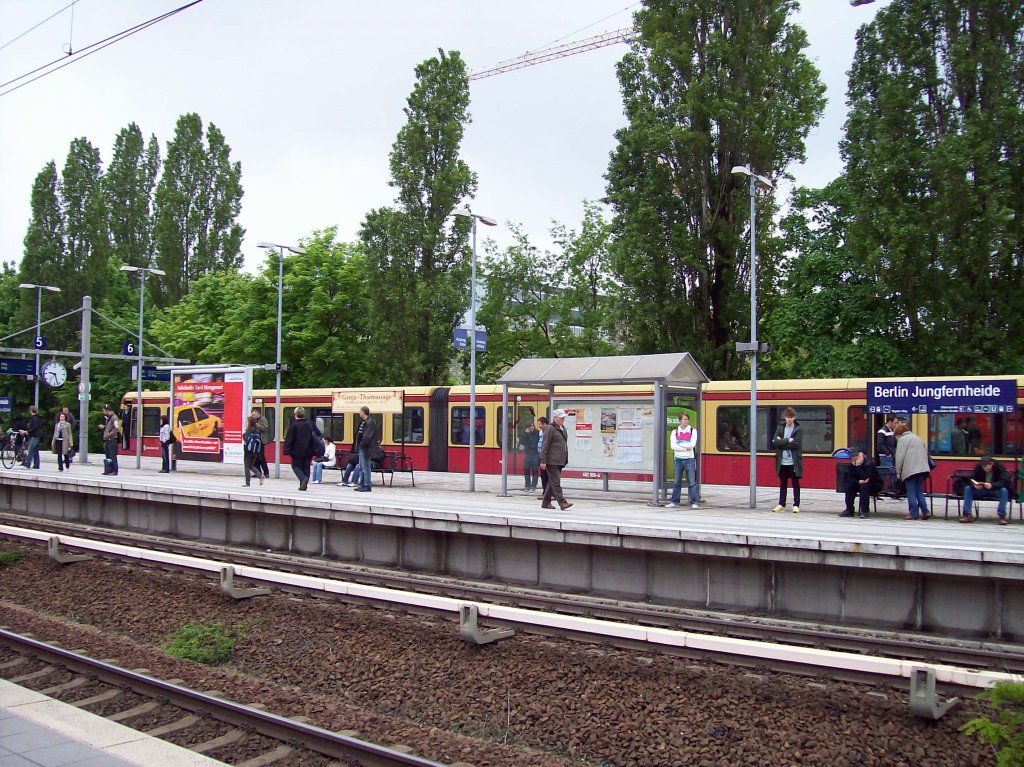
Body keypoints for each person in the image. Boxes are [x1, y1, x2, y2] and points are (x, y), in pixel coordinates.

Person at [960, 455, 1011, 525]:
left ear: (991, 464)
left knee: (1004, 491)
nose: (984, 469)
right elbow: (972, 479)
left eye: (986, 467)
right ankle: (966, 515)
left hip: (994, 490)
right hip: (982, 489)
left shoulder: (999, 466)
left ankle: (1002, 516)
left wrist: (992, 485)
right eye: (983, 468)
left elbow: (1004, 481)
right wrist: (975, 485)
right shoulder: (979, 466)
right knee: (968, 489)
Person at [894, 422, 931, 520]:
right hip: (922, 469)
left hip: (910, 469)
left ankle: (913, 513)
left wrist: (898, 472)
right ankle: (925, 511)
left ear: (899, 433)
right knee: (919, 491)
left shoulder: (902, 440)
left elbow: (899, 457)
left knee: (911, 491)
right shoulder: (917, 438)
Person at [771, 407, 802, 513]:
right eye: (788, 417)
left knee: (795, 483)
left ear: (794, 418)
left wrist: (782, 443)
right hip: (782, 461)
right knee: (782, 483)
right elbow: (775, 442)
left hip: (793, 461)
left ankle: (796, 504)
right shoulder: (780, 428)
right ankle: (781, 503)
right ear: (785, 418)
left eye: (791, 417)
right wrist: (788, 440)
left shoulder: (798, 429)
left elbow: (796, 445)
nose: (789, 419)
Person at [540, 409, 572, 511]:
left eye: (564, 417)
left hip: (560, 460)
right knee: (556, 482)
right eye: (561, 417)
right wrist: (543, 460)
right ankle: (562, 502)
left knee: (552, 482)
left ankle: (545, 502)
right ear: (555, 418)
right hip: (552, 460)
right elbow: (545, 445)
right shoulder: (550, 428)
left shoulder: (562, 428)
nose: (563, 419)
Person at [668, 412, 699, 509]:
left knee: (692, 482)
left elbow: (692, 444)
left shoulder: (693, 431)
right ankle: (674, 501)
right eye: (684, 419)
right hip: (678, 459)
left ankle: (694, 502)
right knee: (677, 481)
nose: (686, 421)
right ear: (680, 420)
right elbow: (673, 446)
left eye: (687, 419)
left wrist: (679, 444)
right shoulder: (675, 432)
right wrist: (685, 447)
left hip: (689, 459)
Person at [840, 448, 881, 519]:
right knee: (849, 486)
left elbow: (865, 477)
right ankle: (849, 510)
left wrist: (859, 466)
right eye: (852, 456)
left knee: (864, 486)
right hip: (860, 483)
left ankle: (865, 511)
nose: (854, 458)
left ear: (861, 455)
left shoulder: (868, 463)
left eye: (856, 455)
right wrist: (858, 481)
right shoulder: (852, 465)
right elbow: (849, 478)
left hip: (874, 484)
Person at [283, 406, 314, 491]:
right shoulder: (309, 424)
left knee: (295, 466)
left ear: (295, 414)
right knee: (306, 466)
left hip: (297, 451)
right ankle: (304, 485)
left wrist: (286, 450)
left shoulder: (294, 425)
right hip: (308, 450)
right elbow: (315, 435)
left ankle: (303, 478)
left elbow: (289, 438)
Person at [356, 406, 379, 493]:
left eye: (360, 411)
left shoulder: (369, 422)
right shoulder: (365, 422)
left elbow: (367, 436)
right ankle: (362, 484)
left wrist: (362, 444)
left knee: (365, 467)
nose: (359, 413)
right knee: (361, 466)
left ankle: (367, 485)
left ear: (363, 412)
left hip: (365, 448)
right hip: (362, 447)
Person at [340, 417, 365, 488]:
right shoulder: (358, 441)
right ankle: (344, 481)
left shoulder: (373, 447)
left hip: (368, 460)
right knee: (350, 465)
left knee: (358, 466)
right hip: (359, 457)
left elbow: (378, 457)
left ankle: (354, 481)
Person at [243, 414, 266, 487]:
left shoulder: (249, 430)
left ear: (249, 422)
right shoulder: (257, 430)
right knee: (251, 465)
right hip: (255, 451)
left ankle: (247, 483)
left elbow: (245, 438)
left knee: (247, 466)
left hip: (248, 451)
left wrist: (243, 435)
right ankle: (260, 476)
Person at [100, 404, 120, 476]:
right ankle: (109, 469)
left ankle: (115, 470)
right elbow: (110, 427)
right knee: (108, 455)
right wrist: (104, 427)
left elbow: (116, 428)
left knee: (112, 455)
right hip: (108, 439)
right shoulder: (108, 418)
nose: (103, 412)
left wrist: (108, 434)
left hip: (112, 439)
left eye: (103, 410)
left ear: (107, 410)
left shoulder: (114, 418)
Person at [520, 422, 540, 492]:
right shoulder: (524, 434)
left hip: (535, 454)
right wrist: (526, 434)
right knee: (526, 470)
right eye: (530, 426)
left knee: (535, 470)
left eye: (533, 426)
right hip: (527, 454)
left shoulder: (537, 433)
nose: (532, 428)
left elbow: (535, 442)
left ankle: (533, 486)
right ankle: (527, 485)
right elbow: (522, 442)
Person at [251, 408, 270, 477]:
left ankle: (266, 472)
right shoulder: (253, 420)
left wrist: (256, 424)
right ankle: (258, 472)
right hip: (254, 441)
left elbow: (265, 428)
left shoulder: (263, 419)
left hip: (261, 441)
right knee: (255, 457)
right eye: (252, 415)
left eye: (254, 415)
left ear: (258, 414)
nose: (253, 416)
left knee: (261, 457)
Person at [23, 405, 42, 470]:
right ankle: (36, 465)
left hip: (34, 436)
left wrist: (27, 431)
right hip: (37, 435)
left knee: (30, 449)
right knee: (35, 450)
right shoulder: (37, 418)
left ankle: (28, 464)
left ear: (31, 411)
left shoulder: (34, 418)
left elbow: (34, 427)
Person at [536, 416, 549, 495]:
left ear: (544, 424)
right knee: (543, 475)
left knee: (548, 476)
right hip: (541, 456)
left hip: (547, 457)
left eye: (540, 424)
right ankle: (545, 491)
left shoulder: (549, 432)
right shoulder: (541, 432)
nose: (539, 426)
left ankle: (548, 492)